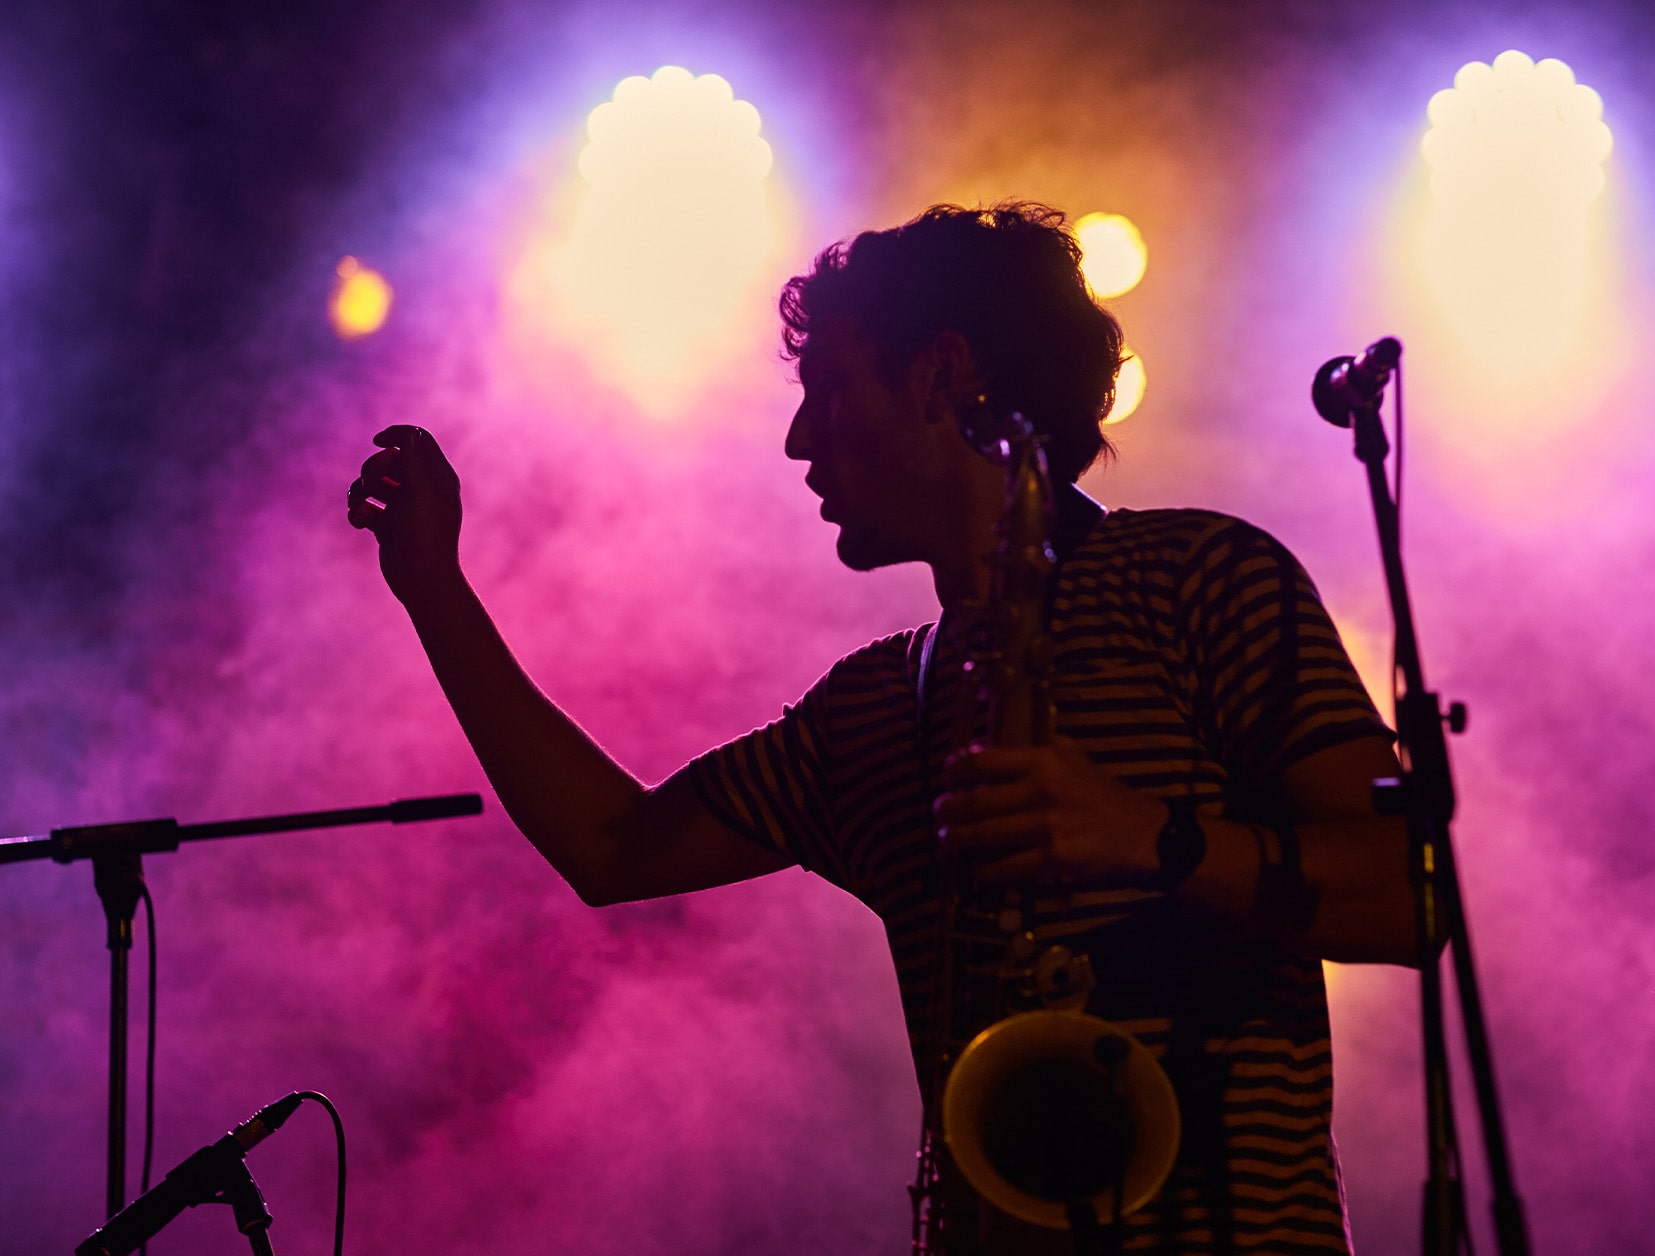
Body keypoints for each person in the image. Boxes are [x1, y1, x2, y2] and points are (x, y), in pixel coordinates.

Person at [347, 203, 1416, 1254]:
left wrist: (1153, 838)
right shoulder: (866, 707)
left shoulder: (1200, 577)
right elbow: (611, 847)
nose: (799, 438)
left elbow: (1408, 899)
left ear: (939, 373)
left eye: (827, 389)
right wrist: (434, 589)